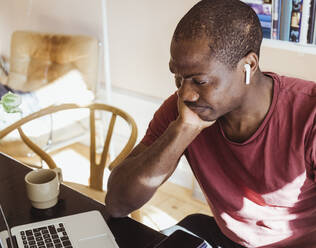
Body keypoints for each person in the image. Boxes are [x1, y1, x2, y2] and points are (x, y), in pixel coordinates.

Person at [105, 0, 316, 247]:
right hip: (225, 237)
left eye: (199, 81)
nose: (185, 94)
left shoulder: (309, 115)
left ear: (248, 66)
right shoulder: (182, 111)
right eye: (178, 77)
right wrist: (182, 131)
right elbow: (117, 203)